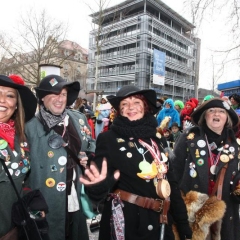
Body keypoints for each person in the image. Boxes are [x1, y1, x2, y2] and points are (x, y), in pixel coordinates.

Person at [80, 85, 192, 240]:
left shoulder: (157, 139)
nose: (130, 107)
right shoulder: (109, 139)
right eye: (124, 104)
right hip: (128, 223)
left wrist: (182, 222)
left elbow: (171, 183)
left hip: (161, 221)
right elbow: (99, 188)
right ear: (119, 111)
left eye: (136, 102)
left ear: (145, 107)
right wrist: (97, 185)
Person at [25, 74, 96, 240]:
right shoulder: (29, 127)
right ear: (42, 98)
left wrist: (90, 158)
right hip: (47, 199)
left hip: (76, 193)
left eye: (63, 94)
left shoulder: (79, 119)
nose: (59, 99)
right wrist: (31, 199)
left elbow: (91, 145)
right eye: (54, 94)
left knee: (74, 232)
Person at [172, 98, 240, 239]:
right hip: (193, 213)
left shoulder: (234, 144)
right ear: (205, 116)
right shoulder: (189, 137)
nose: (216, 114)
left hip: (224, 215)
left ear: (227, 117)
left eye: (221, 111)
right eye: (211, 111)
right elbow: (174, 170)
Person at [0, 75, 37, 239]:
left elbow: (24, 178)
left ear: (16, 105)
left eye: (9, 95)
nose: (2, 100)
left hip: (15, 227)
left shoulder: (20, 136)